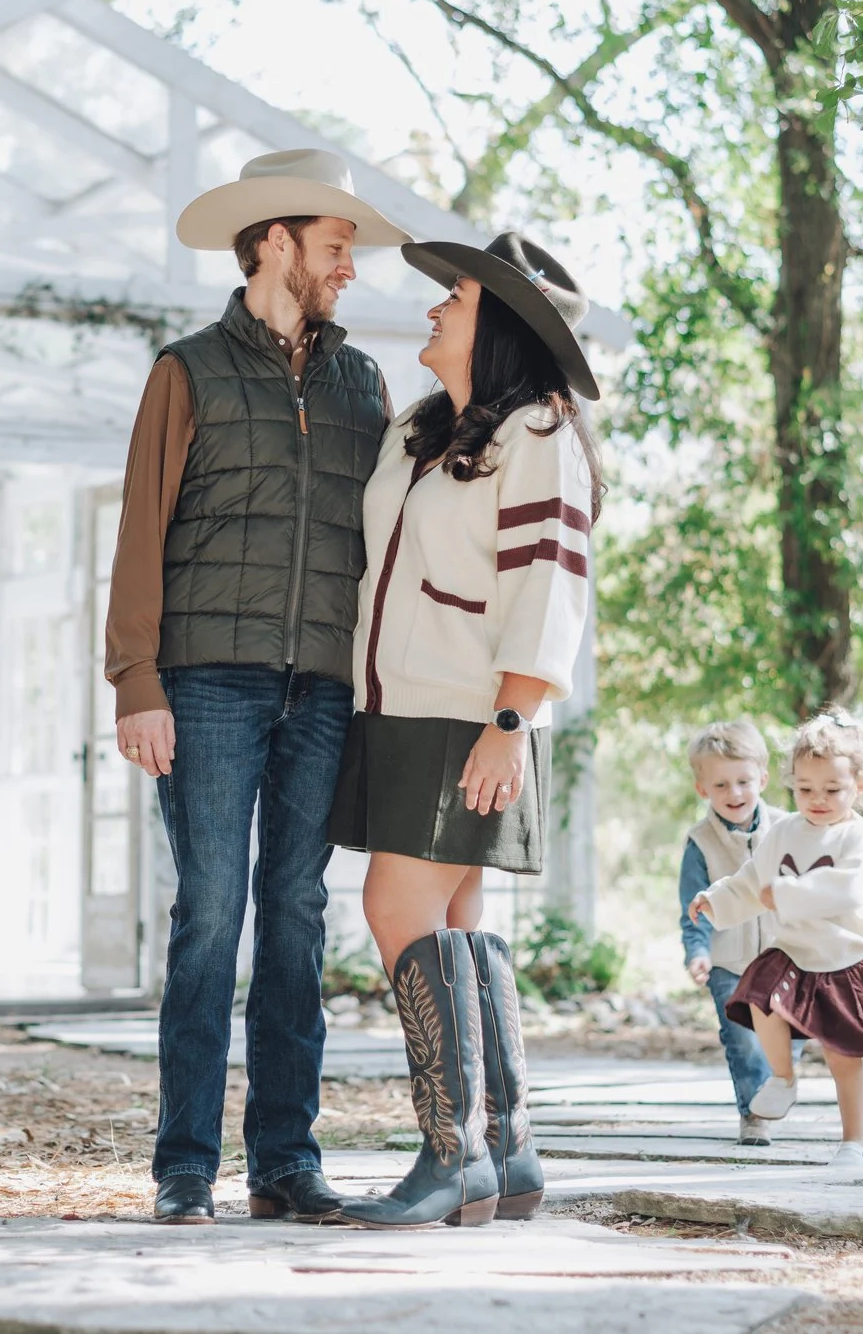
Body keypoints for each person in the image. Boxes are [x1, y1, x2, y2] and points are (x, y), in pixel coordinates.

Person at [106, 148, 408, 1226]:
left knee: (293, 914)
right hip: (205, 682)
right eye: (337, 249)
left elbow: (387, 541)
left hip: (322, 686)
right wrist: (135, 679)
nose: (350, 270)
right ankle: (184, 1164)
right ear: (275, 242)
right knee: (211, 914)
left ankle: (284, 1159)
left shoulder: (362, 381)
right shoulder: (186, 369)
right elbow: (141, 528)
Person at [326, 231, 604, 1229]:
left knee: (395, 906)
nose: (438, 304)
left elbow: (548, 583)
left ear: (502, 326)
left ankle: (453, 1154)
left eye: (457, 295)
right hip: (396, 706)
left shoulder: (539, 429)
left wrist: (511, 717)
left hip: (465, 709)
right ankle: (505, 1148)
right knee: (451, 922)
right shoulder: (420, 426)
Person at [688, 708, 863, 1165]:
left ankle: (855, 1144)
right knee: (759, 997)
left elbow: (850, 888)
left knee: (844, 1058)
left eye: (832, 790)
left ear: (858, 786)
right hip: (792, 956)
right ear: (791, 784)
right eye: (805, 789)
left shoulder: (857, 836)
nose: (817, 799)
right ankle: (781, 1077)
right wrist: (716, 899)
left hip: (841, 961)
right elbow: (750, 880)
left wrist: (785, 893)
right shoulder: (783, 831)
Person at [676, 719, 793, 1146]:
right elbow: (693, 907)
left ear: (762, 778)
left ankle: (781, 1078)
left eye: (743, 781)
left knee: (786, 1032)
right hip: (728, 961)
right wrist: (698, 952)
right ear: (702, 789)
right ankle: (754, 1114)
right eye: (721, 785)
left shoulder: (788, 830)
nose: (735, 794)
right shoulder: (700, 843)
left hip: (786, 954)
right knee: (742, 1038)